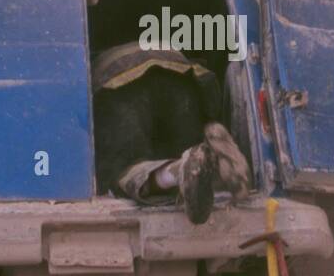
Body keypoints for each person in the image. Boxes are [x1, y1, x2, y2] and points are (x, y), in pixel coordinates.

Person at [92, 40, 251, 224]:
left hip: (120, 81)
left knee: (125, 170)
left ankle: (177, 172)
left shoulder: (92, 60)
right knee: (190, 152)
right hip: (178, 71)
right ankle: (213, 159)